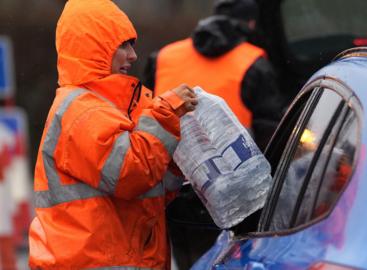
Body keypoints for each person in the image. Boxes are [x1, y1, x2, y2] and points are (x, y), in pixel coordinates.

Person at [28, 0, 197, 269]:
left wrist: (174, 161)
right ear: (94, 48)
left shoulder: (105, 109)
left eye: (132, 46)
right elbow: (131, 173)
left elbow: (149, 191)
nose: (133, 56)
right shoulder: (81, 111)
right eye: (123, 45)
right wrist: (165, 117)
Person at [144, 0, 283, 151]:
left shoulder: (163, 57)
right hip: (235, 167)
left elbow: (143, 112)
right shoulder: (253, 61)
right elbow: (269, 130)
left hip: (166, 164)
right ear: (251, 24)